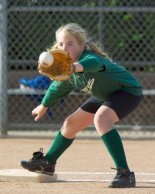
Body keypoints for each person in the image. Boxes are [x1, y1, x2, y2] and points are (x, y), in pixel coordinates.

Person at [20, 23, 144, 188]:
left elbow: (92, 64)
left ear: (81, 46)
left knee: (101, 119)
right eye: (61, 44)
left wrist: (72, 67)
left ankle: (125, 173)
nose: (65, 47)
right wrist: (44, 105)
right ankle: (48, 163)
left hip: (128, 91)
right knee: (70, 124)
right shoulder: (68, 72)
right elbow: (57, 87)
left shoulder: (90, 58)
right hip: (104, 95)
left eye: (70, 43)